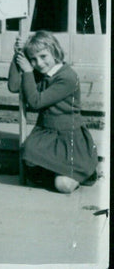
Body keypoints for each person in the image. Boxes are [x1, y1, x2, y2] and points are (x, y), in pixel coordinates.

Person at [8, 31, 98, 193]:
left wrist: (28, 71)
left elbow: (36, 102)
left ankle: (84, 174)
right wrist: (17, 57)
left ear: (54, 51)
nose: (39, 63)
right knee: (28, 154)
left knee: (62, 185)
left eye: (43, 56)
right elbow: (14, 86)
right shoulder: (39, 73)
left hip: (68, 137)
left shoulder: (67, 77)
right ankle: (58, 172)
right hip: (45, 131)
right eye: (33, 59)